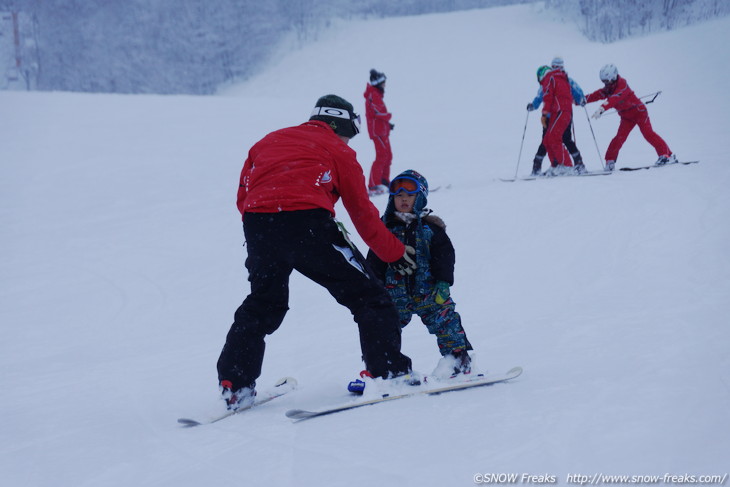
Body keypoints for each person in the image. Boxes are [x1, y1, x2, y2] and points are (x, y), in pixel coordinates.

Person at [217, 94, 418, 411]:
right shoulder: (339, 151)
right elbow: (362, 215)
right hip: (308, 224)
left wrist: (265, 225)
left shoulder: (266, 142)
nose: (348, 140)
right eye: (350, 133)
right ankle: (389, 372)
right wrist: (394, 252)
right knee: (370, 297)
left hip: (259, 226)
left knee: (263, 303)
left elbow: (243, 195)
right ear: (341, 126)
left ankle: (235, 385)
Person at [365, 170, 473, 378]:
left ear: (420, 197)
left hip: (430, 292)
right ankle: (384, 367)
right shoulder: (385, 229)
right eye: (398, 196)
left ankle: (458, 361)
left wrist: (443, 282)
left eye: (409, 195)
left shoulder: (431, 229)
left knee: (447, 323)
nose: (404, 199)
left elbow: (445, 257)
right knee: (383, 327)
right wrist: (374, 287)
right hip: (394, 295)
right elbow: (374, 262)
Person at [585, 64, 676, 171]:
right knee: (619, 138)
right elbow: (597, 94)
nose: (606, 84)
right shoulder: (609, 88)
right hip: (626, 118)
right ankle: (610, 161)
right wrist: (581, 99)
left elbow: (615, 98)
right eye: (604, 81)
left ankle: (667, 155)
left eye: (607, 81)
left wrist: (602, 108)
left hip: (639, 113)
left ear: (613, 77)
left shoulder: (622, 85)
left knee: (648, 133)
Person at [527, 57, 587, 176]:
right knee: (558, 139)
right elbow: (576, 92)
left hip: (556, 114)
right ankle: (569, 164)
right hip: (560, 114)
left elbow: (543, 96)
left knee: (553, 139)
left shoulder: (558, 80)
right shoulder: (564, 80)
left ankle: (559, 165)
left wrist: (536, 107)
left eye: (558, 67)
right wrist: (580, 100)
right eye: (555, 67)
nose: (557, 69)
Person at [534, 61, 577, 177]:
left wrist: (544, 114)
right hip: (559, 112)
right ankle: (556, 165)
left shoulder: (550, 78)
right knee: (548, 139)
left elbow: (548, 96)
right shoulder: (558, 78)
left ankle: (567, 166)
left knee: (554, 137)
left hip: (561, 111)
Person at [364, 69, 394, 194]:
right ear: (378, 83)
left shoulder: (376, 94)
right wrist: (388, 117)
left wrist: (387, 124)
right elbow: (377, 112)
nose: (385, 85)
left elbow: (376, 113)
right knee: (382, 156)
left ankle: (384, 181)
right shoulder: (373, 94)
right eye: (383, 83)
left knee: (388, 156)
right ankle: (373, 185)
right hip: (378, 132)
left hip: (382, 130)